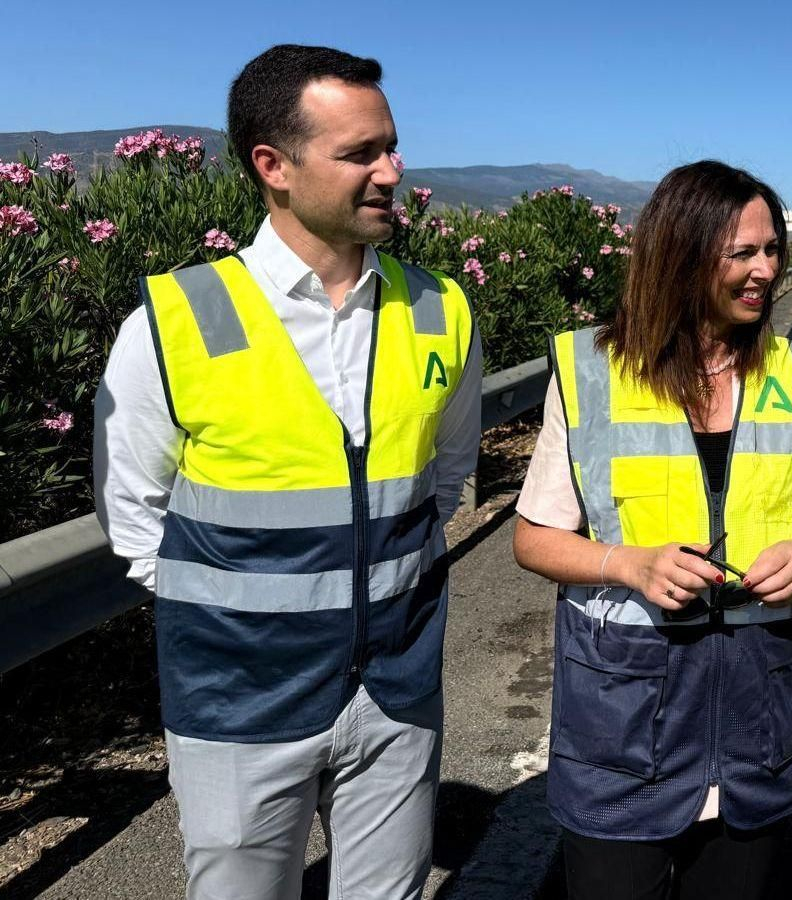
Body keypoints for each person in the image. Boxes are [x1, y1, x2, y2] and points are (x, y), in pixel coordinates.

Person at [93, 45, 480, 898]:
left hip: (396, 689)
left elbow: (444, 484)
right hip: (237, 701)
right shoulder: (174, 321)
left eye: (391, 146)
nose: (392, 171)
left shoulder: (442, 309)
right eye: (360, 154)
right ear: (273, 165)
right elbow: (134, 515)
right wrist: (242, 621)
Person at [512, 160, 792, 900]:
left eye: (772, 250)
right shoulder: (593, 372)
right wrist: (629, 564)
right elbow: (534, 539)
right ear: (683, 254)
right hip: (625, 725)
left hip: (759, 719)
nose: (765, 271)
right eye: (742, 254)